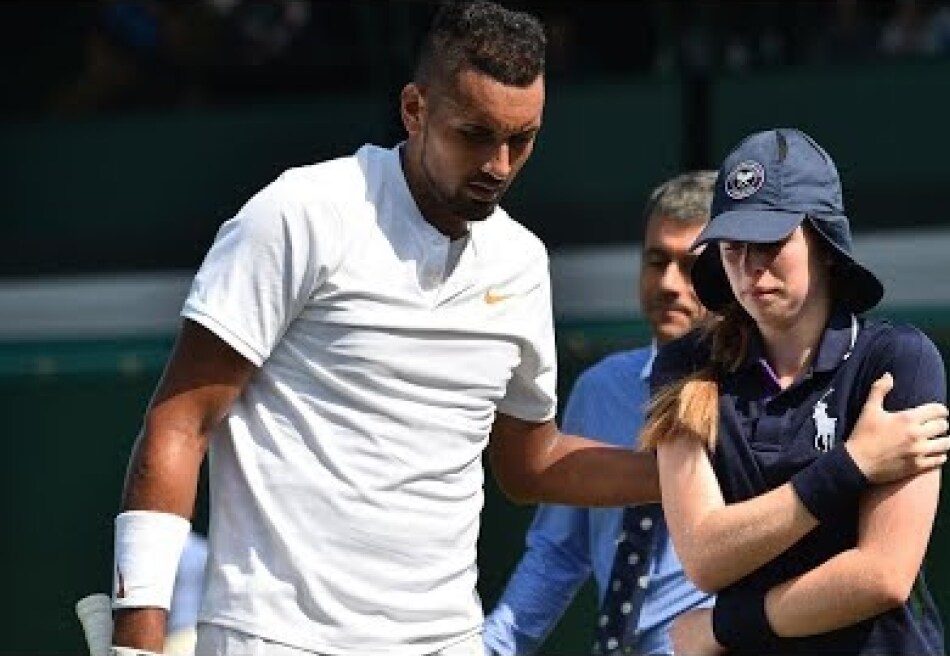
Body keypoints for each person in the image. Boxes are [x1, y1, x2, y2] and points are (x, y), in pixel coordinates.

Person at [107, 3, 664, 655]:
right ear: (414, 109)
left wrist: (688, 472)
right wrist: (136, 639)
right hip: (276, 638)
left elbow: (530, 462)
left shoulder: (522, 264)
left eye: (522, 139)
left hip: (446, 639)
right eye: (475, 134)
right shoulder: (300, 214)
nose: (500, 164)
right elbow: (180, 422)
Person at [642, 127, 950, 655]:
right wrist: (854, 464)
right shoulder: (684, 366)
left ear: (825, 243)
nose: (751, 266)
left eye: (771, 242)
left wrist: (723, 627)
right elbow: (705, 556)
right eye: (734, 247)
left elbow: (882, 576)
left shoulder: (899, 359)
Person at [482, 171, 718, 656]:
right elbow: (558, 551)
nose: (670, 283)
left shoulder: (766, 396)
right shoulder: (599, 388)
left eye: (691, 266)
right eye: (656, 262)